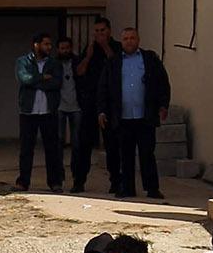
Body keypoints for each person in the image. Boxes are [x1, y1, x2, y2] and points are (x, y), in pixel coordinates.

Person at [96, 28, 171, 200]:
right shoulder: (113, 62)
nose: (129, 41)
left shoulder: (150, 59)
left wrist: (163, 105)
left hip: (145, 116)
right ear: (121, 41)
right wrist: (102, 110)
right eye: (125, 38)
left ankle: (152, 188)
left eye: (132, 38)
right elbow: (103, 88)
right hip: (122, 117)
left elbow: (163, 83)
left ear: (138, 40)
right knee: (125, 155)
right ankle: (127, 187)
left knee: (147, 154)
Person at [70, 17, 117, 192]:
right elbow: (79, 71)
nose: (99, 34)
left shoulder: (116, 48)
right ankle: (79, 180)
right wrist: (89, 56)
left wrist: (105, 47)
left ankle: (115, 181)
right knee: (84, 144)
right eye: (96, 31)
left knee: (112, 144)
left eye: (102, 30)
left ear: (109, 31)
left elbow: (117, 66)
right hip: (89, 102)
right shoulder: (89, 49)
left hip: (109, 103)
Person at [14, 32, 63, 191]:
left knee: (52, 149)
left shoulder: (55, 64)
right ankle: (23, 182)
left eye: (50, 44)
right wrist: (42, 78)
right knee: (26, 149)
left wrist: (35, 81)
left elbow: (56, 83)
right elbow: (24, 79)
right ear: (36, 45)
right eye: (46, 44)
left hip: (48, 112)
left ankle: (55, 182)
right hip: (28, 112)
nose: (49, 47)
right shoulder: (23, 61)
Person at [54, 36, 83, 163]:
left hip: (76, 105)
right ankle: (59, 172)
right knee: (59, 139)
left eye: (67, 48)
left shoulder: (78, 61)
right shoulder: (54, 63)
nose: (65, 51)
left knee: (76, 141)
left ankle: (75, 169)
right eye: (62, 48)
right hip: (59, 105)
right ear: (58, 49)